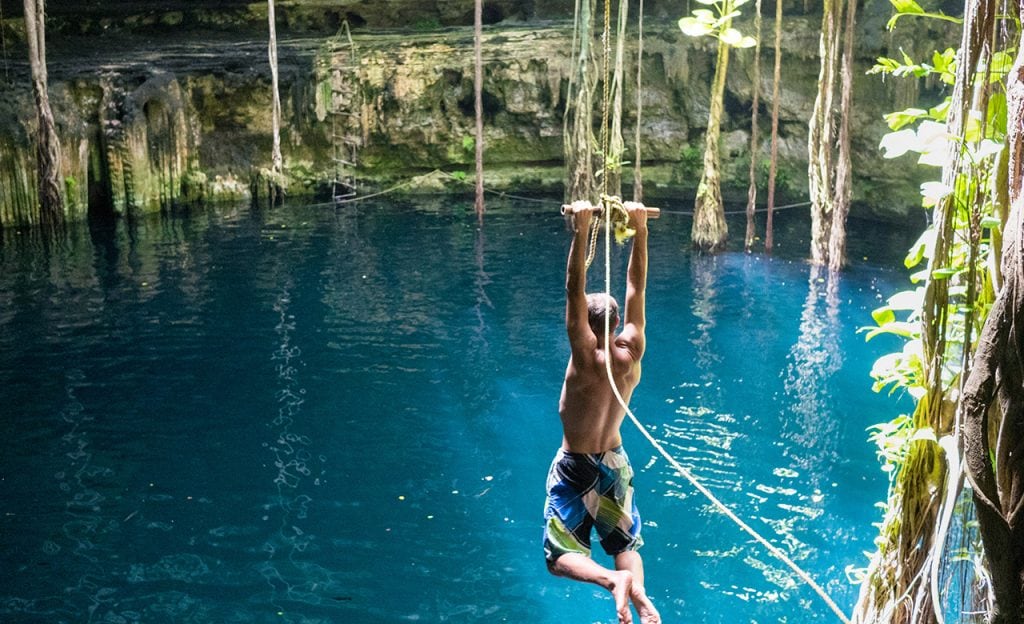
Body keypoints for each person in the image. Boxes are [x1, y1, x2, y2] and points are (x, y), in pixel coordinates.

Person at [543, 201, 661, 624]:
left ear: (588, 327)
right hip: (615, 462)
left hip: (576, 464)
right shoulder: (630, 349)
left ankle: (614, 583)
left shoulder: (584, 355)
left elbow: (574, 287)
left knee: (559, 556)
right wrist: (640, 230)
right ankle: (642, 602)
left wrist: (581, 229)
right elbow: (636, 288)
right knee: (623, 546)